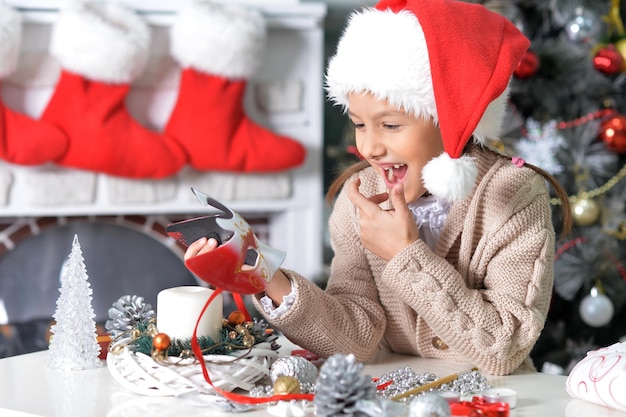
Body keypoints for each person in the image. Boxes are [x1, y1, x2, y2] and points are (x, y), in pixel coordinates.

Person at [184, 0, 572, 376]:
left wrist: (405, 254)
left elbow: (505, 348)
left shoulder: (514, 195)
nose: (369, 147)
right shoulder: (359, 200)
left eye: (390, 125)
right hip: (396, 395)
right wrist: (267, 275)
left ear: (451, 122)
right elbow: (356, 337)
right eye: (359, 123)